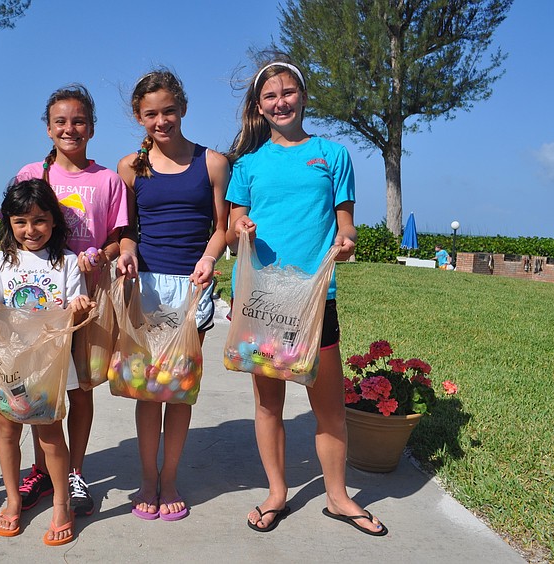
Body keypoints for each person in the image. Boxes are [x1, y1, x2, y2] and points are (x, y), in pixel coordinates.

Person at [226, 55, 387, 536]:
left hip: (316, 297)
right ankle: (277, 492)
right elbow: (234, 221)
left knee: (328, 404)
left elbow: (346, 224)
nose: (281, 102)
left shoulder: (333, 155)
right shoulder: (247, 164)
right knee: (268, 402)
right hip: (260, 296)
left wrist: (349, 239)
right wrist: (242, 226)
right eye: (271, 96)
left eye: (288, 92)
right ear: (260, 106)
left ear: (303, 97)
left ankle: (338, 498)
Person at [116, 69, 229, 521]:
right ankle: (148, 478)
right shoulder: (131, 167)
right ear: (139, 118)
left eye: (168, 111)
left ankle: (171, 477)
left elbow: (220, 229)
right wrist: (126, 252)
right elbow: (126, 231)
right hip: (145, 289)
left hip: (193, 289)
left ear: (182, 108)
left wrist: (208, 258)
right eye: (150, 114)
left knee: (178, 389)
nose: (161, 120)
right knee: (148, 390)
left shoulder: (213, 162)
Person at [15, 84, 129, 517]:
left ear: (92, 128)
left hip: (90, 298)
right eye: (60, 121)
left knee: (81, 388)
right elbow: (16, 228)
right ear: (48, 128)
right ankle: (42, 468)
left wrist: (103, 253)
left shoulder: (108, 180)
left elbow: (119, 237)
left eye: (79, 121)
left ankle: (75, 471)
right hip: (39, 302)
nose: (70, 128)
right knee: (39, 387)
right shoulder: (31, 174)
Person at [0, 179, 94, 545]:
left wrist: (79, 306)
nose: (30, 230)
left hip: (48, 366)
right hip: (7, 365)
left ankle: (62, 503)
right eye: (21, 222)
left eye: (39, 221)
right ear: (8, 223)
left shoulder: (66, 262)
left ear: (54, 222)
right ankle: (14, 498)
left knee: (50, 435)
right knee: (7, 432)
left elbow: (73, 307)